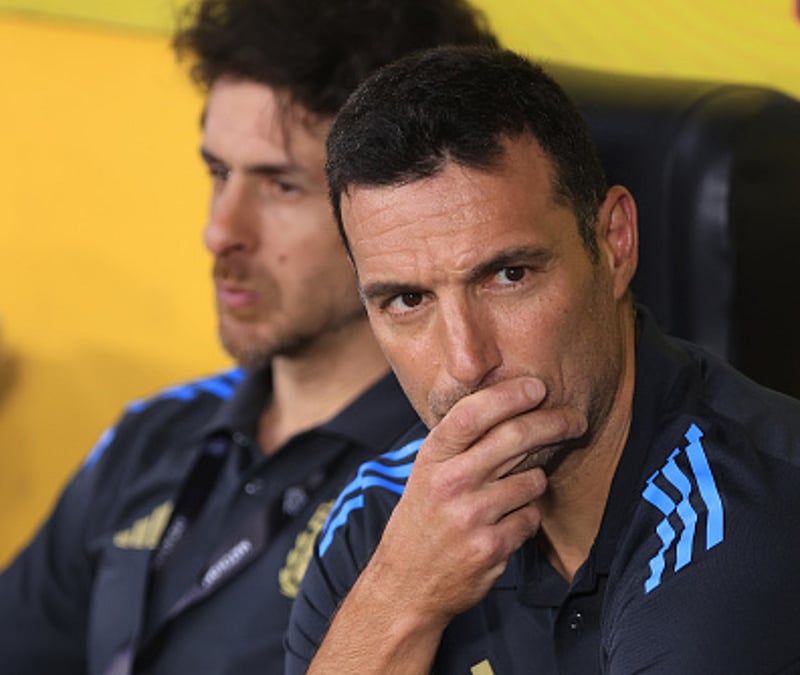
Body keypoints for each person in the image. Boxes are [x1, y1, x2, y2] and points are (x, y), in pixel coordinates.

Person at [286, 46, 800, 674]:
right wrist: (399, 599)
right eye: (407, 301)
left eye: (509, 276)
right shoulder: (384, 526)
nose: (466, 360)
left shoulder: (747, 539)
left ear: (614, 243)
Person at [0, 2, 497, 673]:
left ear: (401, 212)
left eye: (281, 186)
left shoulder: (458, 490)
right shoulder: (153, 436)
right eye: (218, 173)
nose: (222, 230)